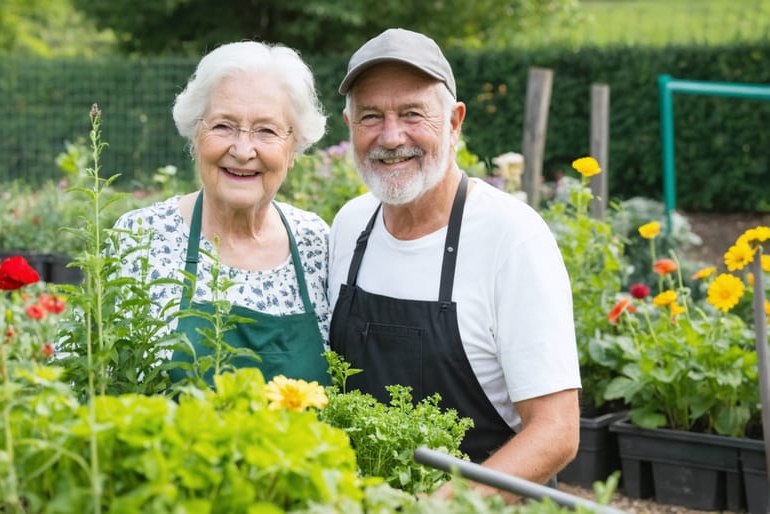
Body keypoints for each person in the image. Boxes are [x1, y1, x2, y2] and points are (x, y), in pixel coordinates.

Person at [327, 28, 581, 496]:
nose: (391, 136)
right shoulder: (350, 226)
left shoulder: (512, 238)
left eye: (411, 114)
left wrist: (443, 507)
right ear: (349, 125)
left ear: (454, 121)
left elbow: (556, 431)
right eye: (371, 116)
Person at [113, 41, 330, 385]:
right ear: (195, 138)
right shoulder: (141, 237)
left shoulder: (316, 243)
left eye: (266, 131)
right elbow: (88, 374)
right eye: (223, 126)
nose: (243, 150)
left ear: (294, 148)